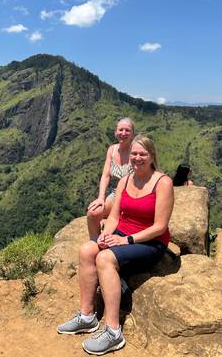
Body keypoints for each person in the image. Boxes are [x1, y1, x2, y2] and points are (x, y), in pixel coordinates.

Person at [57, 135, 174, 355]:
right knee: (86, 250)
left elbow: (160, 226)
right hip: (122, 233)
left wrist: (125, 240)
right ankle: (87, 316)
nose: (137, 158)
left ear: (152, 156)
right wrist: (105, 235)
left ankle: (113, 331)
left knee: (104, 258)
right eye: (134, 154)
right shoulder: (125, 180)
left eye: (142, 154)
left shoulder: (163, 182)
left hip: (150, 242)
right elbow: (113, 217)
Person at [86, 118, 135, 238]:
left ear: (133, 134)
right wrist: (101, 198)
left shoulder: (137, 150)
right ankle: (95, 242)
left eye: (127, 130)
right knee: (93, 213)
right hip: (115, 194)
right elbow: (106, 175)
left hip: (134, 195)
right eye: (120, 130)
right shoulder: (112, 150)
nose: (123, 133)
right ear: (115, 132)